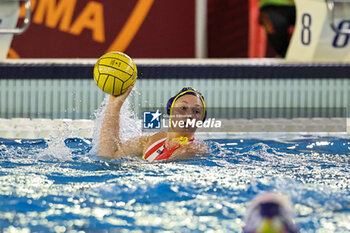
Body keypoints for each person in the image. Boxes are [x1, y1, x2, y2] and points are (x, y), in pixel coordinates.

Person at [98, 86, 209, 162]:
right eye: (183, 108)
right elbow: (108, 156)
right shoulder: (153, 140)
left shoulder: (194, 149)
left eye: (196, 111)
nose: (189, 115)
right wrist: (115, 104)